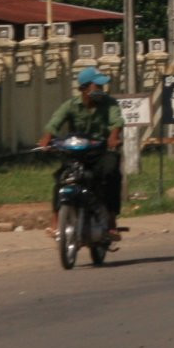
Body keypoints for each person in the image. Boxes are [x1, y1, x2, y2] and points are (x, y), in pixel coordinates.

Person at [40, 67, 124, 241]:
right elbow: (55, 122)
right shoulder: (71, 105)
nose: (101, 90)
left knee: (110, 173)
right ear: (85, 88)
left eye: (102, 87)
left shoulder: (109, 103)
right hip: (76, 152)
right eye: (97, 86)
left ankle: (111, 219)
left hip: (100, 151)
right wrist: (47, 139)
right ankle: (56, 221)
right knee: (62, 178)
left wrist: (114, 137)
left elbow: (117, 121)